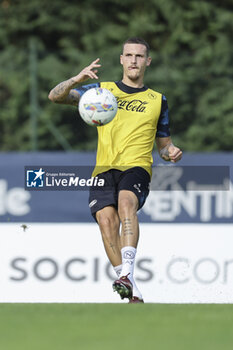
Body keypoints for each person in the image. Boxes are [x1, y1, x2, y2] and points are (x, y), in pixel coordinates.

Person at [48, 37, 182, 303]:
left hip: (137, 166)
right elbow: (55, 96)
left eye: (139, 56)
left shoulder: (158, 100)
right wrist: (76, 80)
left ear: (148, 61)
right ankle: (129, 284)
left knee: (125, 204)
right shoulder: (102, 92)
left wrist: (171, 152)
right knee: (106, 222)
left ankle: (127, 274)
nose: (134, 61)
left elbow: (164, 146)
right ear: (121, 59)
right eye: (129, 55)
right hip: (103, 169)